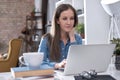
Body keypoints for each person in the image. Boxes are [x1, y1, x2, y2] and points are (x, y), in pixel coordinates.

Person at [38, 4, 82, 69]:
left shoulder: (77, 39)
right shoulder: (46, 39)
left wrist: (72, 39)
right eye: (65, 19)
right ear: (58, 20)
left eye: (72, 18)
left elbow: (79, 62)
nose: (69, 22)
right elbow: (40, 64)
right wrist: (57, 65)